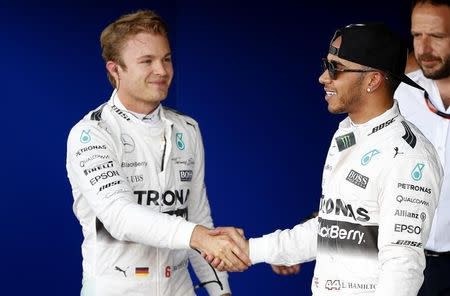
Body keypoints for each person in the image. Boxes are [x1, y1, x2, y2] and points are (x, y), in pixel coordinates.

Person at [209, 23, 444, 295]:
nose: (323, 77)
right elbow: (330, 229)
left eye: (336, 68)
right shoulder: (347, 133)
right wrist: (250, 250)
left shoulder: (409, 156)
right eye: (326, 64)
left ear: (373, 80)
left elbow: (402, 267)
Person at [65, 10, 250, 296]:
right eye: (146, 61)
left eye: (166, 59)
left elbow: (197, 215)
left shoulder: (187, 129)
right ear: (115, 70)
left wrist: (221, 292)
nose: (162, 71)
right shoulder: (91, 134)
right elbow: (119, 216)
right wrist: (198, 236)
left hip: (179, 288)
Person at [395, 1, 450, 295]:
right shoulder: (398, 96)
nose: (424, 49)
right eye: (417, 36)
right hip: (408, 267)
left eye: (438, 37)